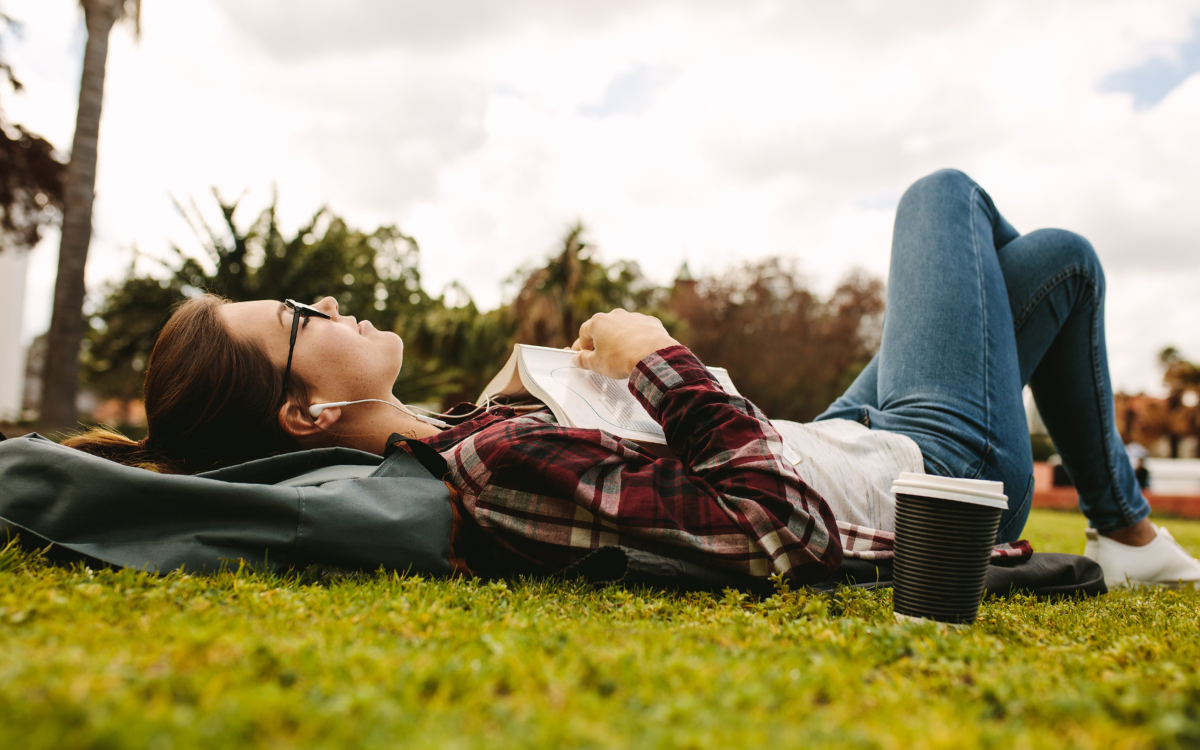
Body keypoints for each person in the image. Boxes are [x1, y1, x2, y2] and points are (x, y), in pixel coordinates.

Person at [65, 169, 1200, 589]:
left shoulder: (467, 428)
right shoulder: (488, 462)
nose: (328, 303)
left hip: (837, 434)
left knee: (1057, 263)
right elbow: (772, 528)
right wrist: (655, 355)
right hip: (922, 479)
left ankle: (1129, 534)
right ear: (305, 409)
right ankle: (1127, 529)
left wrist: (554, 384)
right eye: (300, 319)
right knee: (942, 197)